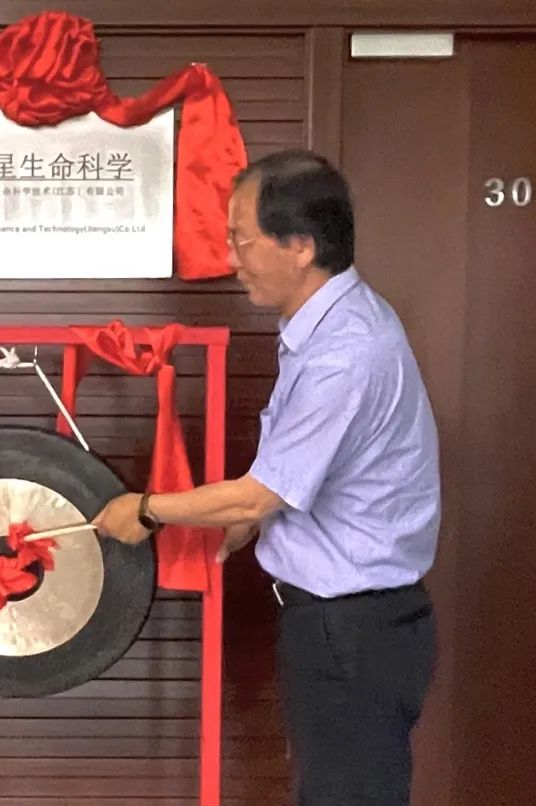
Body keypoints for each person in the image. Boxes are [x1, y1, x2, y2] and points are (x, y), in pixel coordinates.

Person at [92, 149, 439, 806]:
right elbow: (301, 473)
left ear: (301, 245)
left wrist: (145, 508)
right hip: (347, 627)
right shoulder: (333, 322)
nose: (232, 258)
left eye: (242, 240)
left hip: (352, 634)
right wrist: (251, 517)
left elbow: (260, 492)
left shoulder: (344, 353)